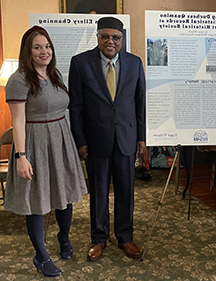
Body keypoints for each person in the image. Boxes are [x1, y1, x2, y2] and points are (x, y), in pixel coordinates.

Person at [4, 26, 87, 277]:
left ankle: (64, 238)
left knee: (65, 195)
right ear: (27, 52)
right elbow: (17, 120)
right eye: (37, 47)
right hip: (34, 144)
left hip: (61, 140)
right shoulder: (19, 80)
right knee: (36, 202)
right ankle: (41, 256)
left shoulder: (54, 75)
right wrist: (21, 156)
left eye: (47, 46)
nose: (44, 51)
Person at [68, 17, 146, 261]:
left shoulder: (134, 63)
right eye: (105, 36)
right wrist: (80, 140)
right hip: (95, 140)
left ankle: (125, 236)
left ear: (122, 39)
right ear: (98, 37)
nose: (111, 41)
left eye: (116, 37)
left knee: (126, 190)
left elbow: (140, 103)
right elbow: (76, 107)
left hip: (126, 138)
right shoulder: (81, 63)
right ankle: (99, 238)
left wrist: (141, 139)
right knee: (99, 191)